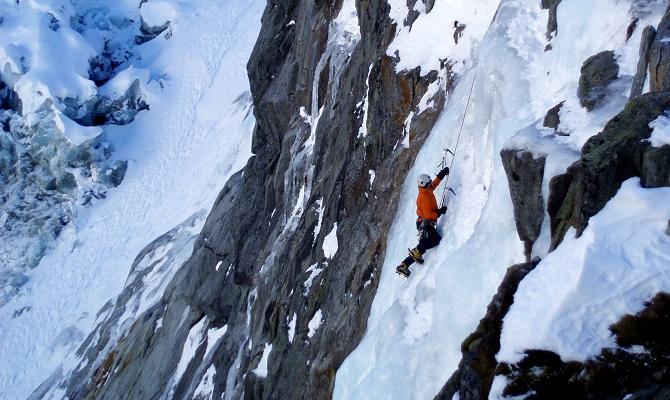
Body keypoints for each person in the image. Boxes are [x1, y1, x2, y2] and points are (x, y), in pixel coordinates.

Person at [396, 166, 450, 277]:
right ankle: (414, 255)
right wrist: (440, 212)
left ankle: (404, 265)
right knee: (434, 240)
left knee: (425, 244)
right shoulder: (424, 196)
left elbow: (434, 184)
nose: (430, 183)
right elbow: (429, 215)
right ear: (424, 184)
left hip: (424, 224)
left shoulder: (426, 190)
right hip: (425, 223)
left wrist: (442, 174)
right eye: (428, 182)